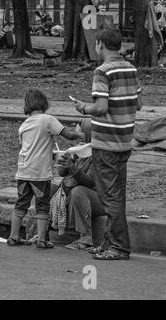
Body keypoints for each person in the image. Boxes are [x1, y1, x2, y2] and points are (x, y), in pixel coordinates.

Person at [72, 25, 142, 260]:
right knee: (116, 194)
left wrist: (84, 108)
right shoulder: (131, 68)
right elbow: (139, 103)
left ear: (100, 45)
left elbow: (100, 108)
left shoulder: (102, 71)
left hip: (106, 142)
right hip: (124, 141)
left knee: (109, 196)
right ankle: (109, 242)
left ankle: (119, 246)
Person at [7, 89, 85, 249]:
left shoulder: (24, 125)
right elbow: (67, 134)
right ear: (44, 103)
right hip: (39, 173)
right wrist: (78, 134)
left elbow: (28, 148)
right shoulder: (48, 119)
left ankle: (13, 236)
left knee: (21, 203)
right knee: (42, 204)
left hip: (23, 171)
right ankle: (41, 240)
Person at [53, 119, 106, 251]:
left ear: (89, 134)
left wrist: (73, 168)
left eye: (81, 130)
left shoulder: (99, 153)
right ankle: (42, 234)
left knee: (78, 191)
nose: (77, 132)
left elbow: (89, 181)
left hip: (100, 200)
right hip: (74, 192)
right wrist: (65, 160)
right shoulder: (79, 150)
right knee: (49, 188)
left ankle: (87, 238)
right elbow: (61, 173)